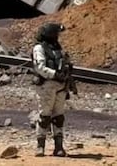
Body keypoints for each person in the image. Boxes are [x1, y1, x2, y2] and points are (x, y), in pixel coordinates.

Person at [32, 22, 75, 157]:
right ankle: (40, 146)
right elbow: (39, 67)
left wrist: (67, 75)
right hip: (47, 85)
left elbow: (65, 65)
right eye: (56, 33)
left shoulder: (57, 48)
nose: (58, 36)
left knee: (59, 117)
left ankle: (59, 147)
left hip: (60, 86)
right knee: (45, 116)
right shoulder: (39, 48)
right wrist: (55, 74)